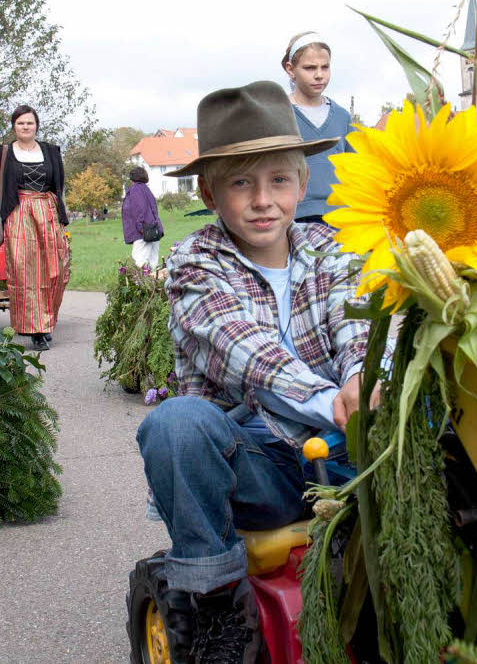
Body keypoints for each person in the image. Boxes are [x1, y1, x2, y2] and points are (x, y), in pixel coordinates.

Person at [135, 81, 371, 661]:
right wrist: (336, 399)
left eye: (278, 181)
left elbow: (355, 324)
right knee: (177, 422)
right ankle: (215, 604)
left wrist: (366, 377)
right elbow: (248, 353)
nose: (263, 200)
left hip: (345, 454)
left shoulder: (329, 250)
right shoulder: (196, 262)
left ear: (303, 184)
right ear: (210, 194)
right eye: (242, 182)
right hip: (256, 463)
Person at [0, 105, 70, 352]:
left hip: (47, 211)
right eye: (21, 123)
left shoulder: (51, 152)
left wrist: (58, 213)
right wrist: (5, 215)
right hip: (19, 213)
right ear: (14, 126)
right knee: (25, 272)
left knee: (56, 269)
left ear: (37, 125)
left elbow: (59, 184)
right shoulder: (3, 153)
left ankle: (47, 319)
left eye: (30, 123)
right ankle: (36, 329)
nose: (26, 127)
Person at [281, 31, 353, 224]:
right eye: (310, 68)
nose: (319, 75)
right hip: (296, 217)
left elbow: (355, 168)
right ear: (290, 69)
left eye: (325, 67)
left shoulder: (342, 117)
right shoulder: (280, 114)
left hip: (339, 216)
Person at [121, 166, 162, 269]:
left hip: (143, 232)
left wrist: (140, 228)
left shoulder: (136, 189)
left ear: (132, 179)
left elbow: (140, 209)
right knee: (153, 263)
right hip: (153, 230)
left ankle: (142, 284)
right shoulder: (146, 189)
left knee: (139, 262)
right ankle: (154, 284)